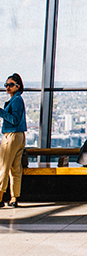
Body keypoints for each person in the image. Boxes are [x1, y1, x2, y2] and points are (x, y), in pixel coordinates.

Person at [0, 73, 27, 208]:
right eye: (6, 85)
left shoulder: (16, 100)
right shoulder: (17, 100)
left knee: (4, 166)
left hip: (11, 136)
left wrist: (1, 112)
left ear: (18, 86)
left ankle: (0, 196)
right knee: (15, 169)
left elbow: (14, 119)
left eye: (11, 85)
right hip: (19, 136)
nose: (7, 88)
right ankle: (14, 197)